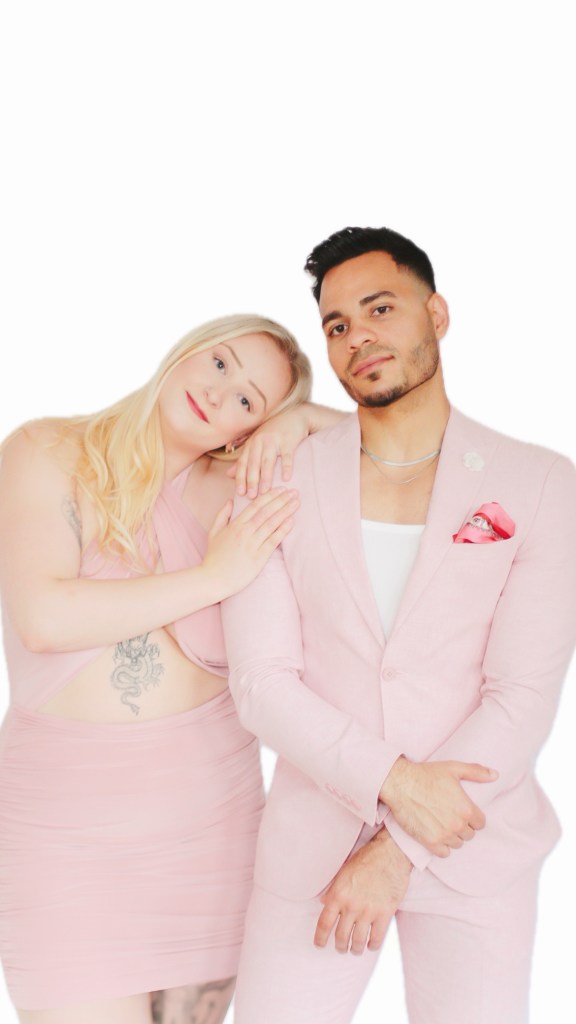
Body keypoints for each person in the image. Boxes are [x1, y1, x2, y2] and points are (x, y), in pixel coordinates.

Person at [221, 228, 576, 1024]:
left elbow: (520, 696)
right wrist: (396, 783)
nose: (358, 336)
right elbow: (262, 685)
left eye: (380, 309)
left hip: (475, 848)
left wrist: (399, 848)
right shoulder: (276, 477)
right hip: (312, 847)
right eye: (337, 324)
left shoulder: (540, 483)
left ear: (437, 315)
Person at [0, 312, 342, 1024]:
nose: (218, 393)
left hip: (210, 830)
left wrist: (305, 419)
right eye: (219, 363)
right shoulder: (46, 450)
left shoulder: (242, 486)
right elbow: (44, 619)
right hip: (64, 835)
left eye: (247, 399)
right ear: (187, 350)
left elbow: (410, 456)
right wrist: (216, 576)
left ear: (248, 431)